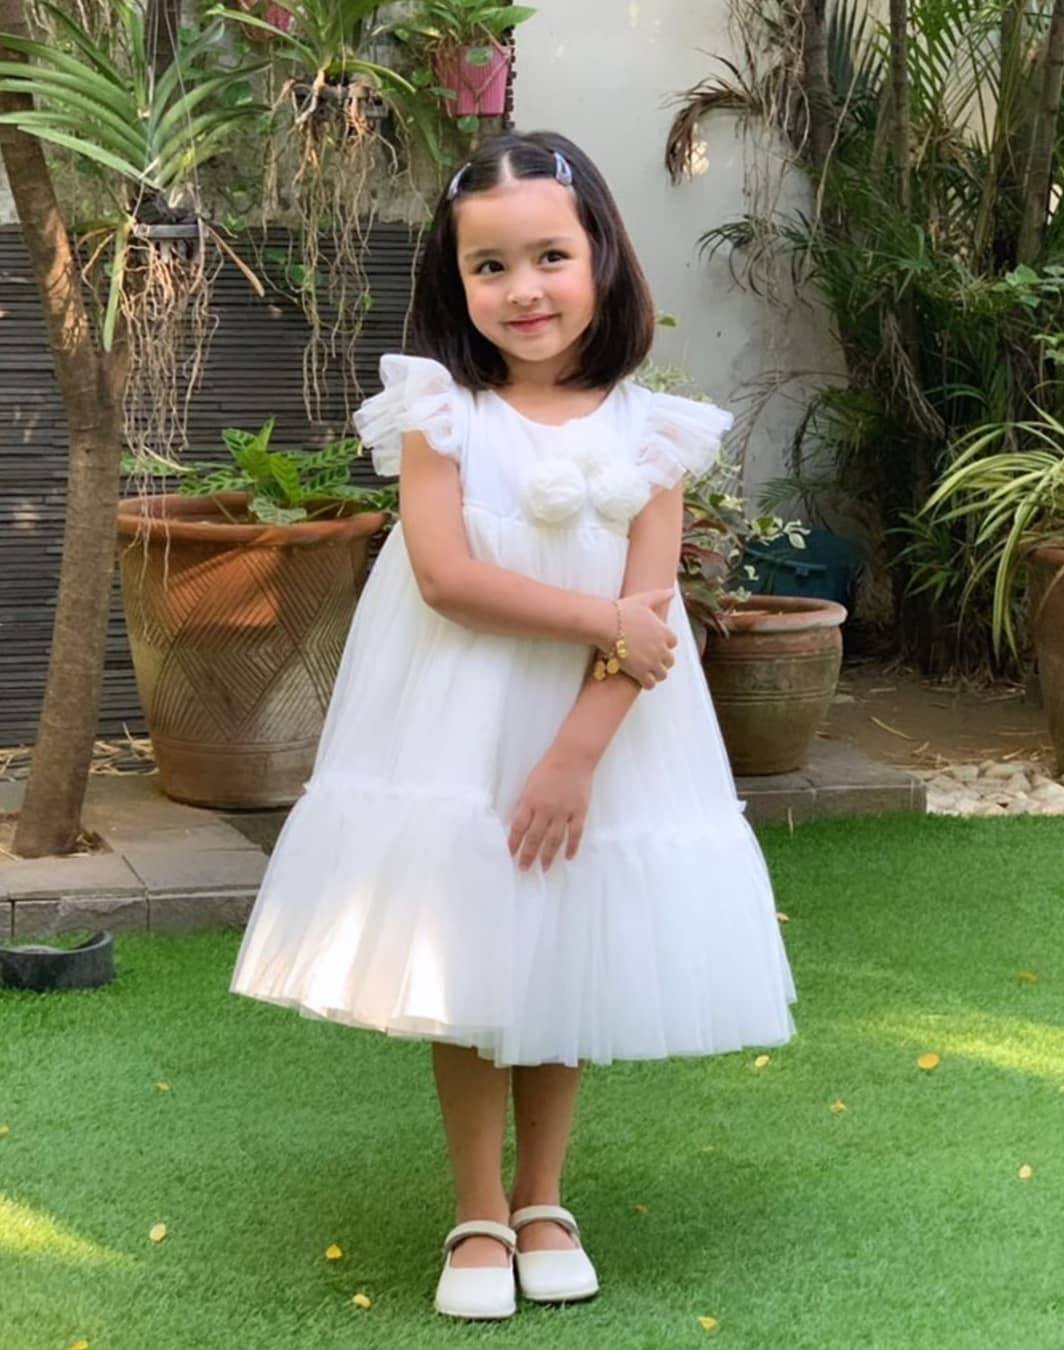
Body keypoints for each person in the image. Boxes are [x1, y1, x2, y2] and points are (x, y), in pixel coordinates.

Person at [229, 129, 797, 1322]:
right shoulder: (440, 412)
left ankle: (545, 1199)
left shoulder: (655, 432)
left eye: (549, 257)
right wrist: (602, 619)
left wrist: (575, 759)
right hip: (458, 723)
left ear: (602, 259)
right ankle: (479, 1208)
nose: (523, 290)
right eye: (490, 267)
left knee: (561, 939)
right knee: (472, 943)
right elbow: (447, 578)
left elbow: (650, 625)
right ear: (456, 280)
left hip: (600, 739)